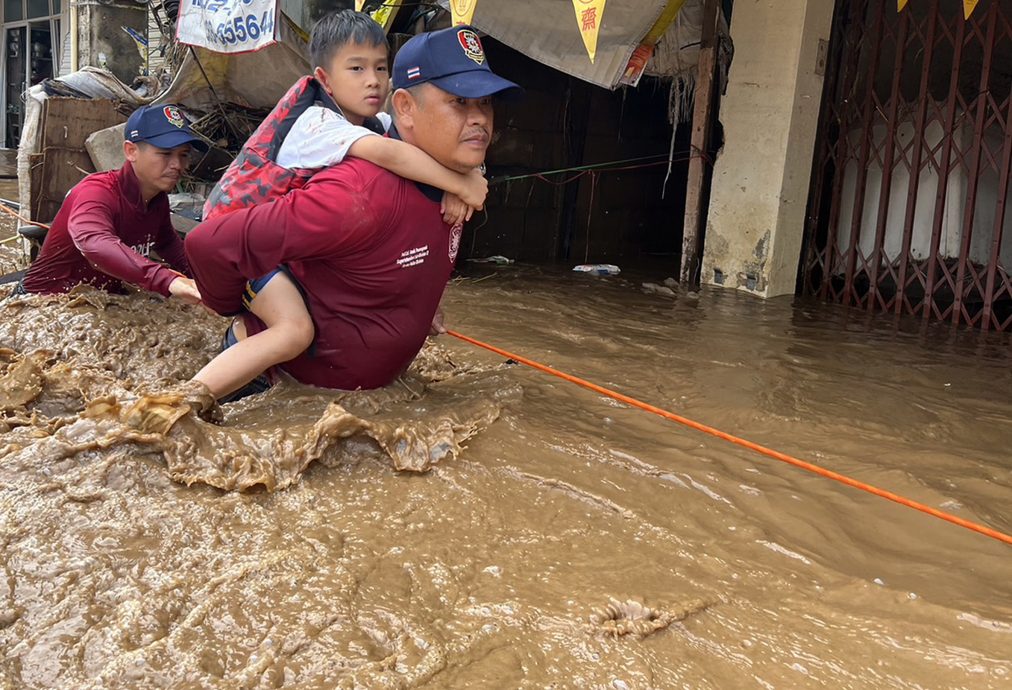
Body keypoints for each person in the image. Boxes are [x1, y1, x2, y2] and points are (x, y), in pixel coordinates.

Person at [185, 25, 519, 397]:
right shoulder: (357, 191)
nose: (479, 118)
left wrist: (419, 307)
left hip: (358, 404)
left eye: (485, 103)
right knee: (290, 332)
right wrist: (227, 304)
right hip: (268, 386)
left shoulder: (454, 181)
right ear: (405, 107)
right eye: (459, 101)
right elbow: (207, 243)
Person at [18, 104, 204, 304]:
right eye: (166, 153)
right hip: (45, 303)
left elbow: (168, 244)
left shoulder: (158, 200)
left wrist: (208, 283)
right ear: (131, 151)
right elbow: (93, 243)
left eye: (183, 154)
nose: (177, 165)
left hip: (104, 302)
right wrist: (168, 280)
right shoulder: (96, 192)